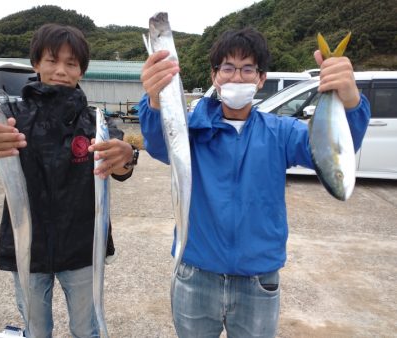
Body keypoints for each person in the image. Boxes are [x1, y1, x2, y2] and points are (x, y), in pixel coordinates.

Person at [138, 28, 370, 337]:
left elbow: (332, 153)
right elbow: (157, 143)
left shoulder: (282, 132)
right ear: (215, 76)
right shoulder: (191, 129)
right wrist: (155, 101)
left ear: (261, 78)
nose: (237, 77)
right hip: (195, 273)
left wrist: (352, 102)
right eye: (228, 68)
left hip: (259, 281)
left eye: (248, 69)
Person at [0, 23, 139, 338]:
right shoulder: (9, 115)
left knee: (87, 327)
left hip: (84, 248)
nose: (60, 70)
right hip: (27, 246)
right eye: (52, 60)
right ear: (36, 63)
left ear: (81, 70)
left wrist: (126, 156)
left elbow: (122, 169)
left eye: (71, 63)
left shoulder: (95, 120)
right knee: (36, 329)